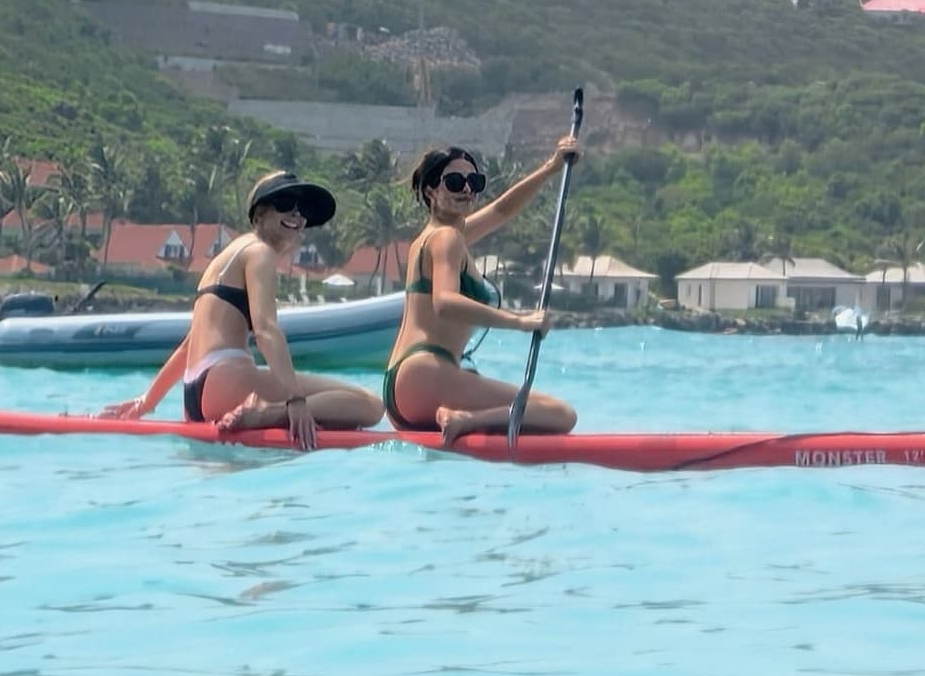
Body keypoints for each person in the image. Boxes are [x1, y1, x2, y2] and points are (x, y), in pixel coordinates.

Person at [100, 171, 383, 449]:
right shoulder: (261, 252)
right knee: (370, 405)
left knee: (334, 416)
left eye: (302, 209)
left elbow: (189, 345)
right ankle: (268, 414)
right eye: (285, 204)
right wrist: (294, 401)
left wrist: (146, 402)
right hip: (228, 381)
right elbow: (266, 329)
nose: (297, 215)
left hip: (196, 395)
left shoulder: (223, 259)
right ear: (259, 215)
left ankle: (269, 412)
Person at [384, 137, 580, 446]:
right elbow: (445, 302)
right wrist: (520, 321)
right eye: (454, 182)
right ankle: (466, 420)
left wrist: (551, 168)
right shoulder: (446, 238)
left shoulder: (434, 237)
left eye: (473, 181)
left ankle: (463, 418)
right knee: (559, 414)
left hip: (401, 387)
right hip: (425, 375)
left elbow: (502, 210)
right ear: (431, 191)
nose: (466, 189)